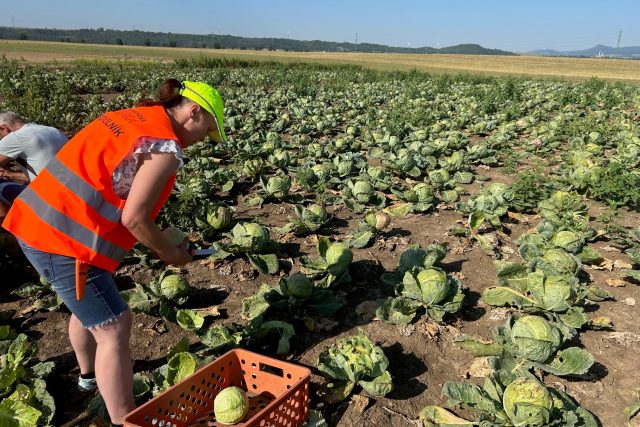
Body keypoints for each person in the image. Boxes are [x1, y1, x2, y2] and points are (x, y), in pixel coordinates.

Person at [2, 79, 228, 426]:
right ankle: (126, 421)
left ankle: (88, 376)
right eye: (207, 130)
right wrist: (169, 252)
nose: (202, 139)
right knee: (114, 326)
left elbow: (113, 184)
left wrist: (161, 235)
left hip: (39, 219)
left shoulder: (133, 117)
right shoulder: (165, 148)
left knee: (90, 307)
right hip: (62, 240)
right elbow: (135, 218)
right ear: (193, 111)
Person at [0, 110, 68, 220]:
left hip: (48, 202)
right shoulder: (54, 131)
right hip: (70, 195)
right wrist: (9, 174)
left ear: (4, 128)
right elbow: (44, 174)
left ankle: (12, 227)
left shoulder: (16, 137)